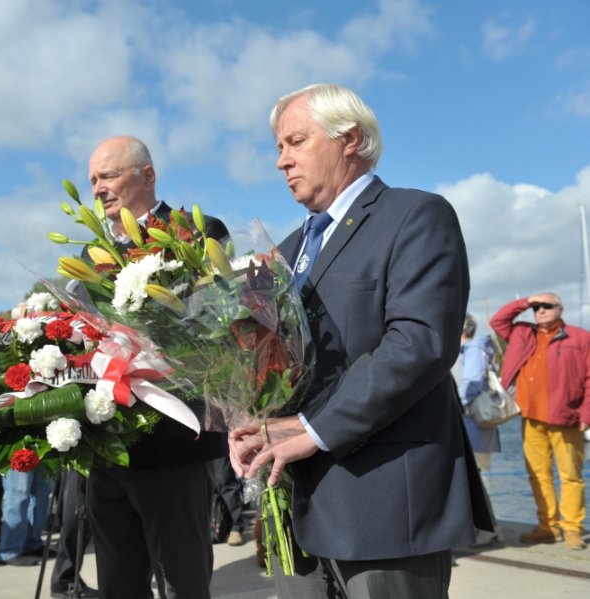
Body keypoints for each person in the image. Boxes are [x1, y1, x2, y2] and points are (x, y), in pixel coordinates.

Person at [228, 84, 492, 598]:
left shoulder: (415, 215)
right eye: (279, 147)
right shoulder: (282, 252)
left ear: (349, 139)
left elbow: (419, 343)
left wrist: (313, 427)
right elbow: (261, 361)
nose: (282, 161)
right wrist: (244, 416)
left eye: (295, 142)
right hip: (294, 505)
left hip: (384, 500)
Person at [84, 135, 229, 598]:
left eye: (108, 175)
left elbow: (219, 323)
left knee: (184, 584)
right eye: (92, 181)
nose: (99, 189)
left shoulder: (197, 233)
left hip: (173, 444)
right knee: (118, 587)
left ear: (147, 175)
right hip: (107, 448)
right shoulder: (89, 257)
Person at [490, 293, 590, 550]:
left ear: (560, 309)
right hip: (531, 417)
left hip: (566, 417)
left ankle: (572, 529)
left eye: (547, 306)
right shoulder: (523, 333)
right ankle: (547, 526)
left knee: (571, 476)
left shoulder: (580, 337)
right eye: (537, 307)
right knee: (538, 475)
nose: (541, 311)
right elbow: (498, 321)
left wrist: (587, 414)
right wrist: (526, 301)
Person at [455, 314, 501, 472]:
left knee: (470, 473)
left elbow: (472, 384)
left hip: (471, 422)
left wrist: (455, 408)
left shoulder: (473, 350)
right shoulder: (475, 350)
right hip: (476, 424)